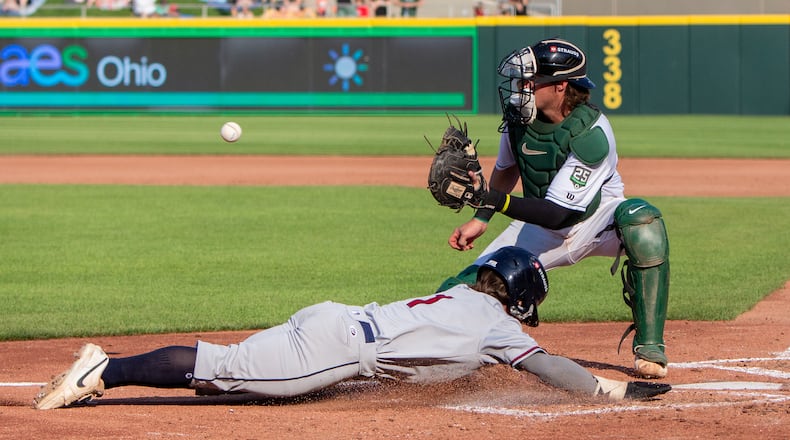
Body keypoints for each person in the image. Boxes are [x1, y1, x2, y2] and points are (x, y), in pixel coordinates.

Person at [33, 247, 670, 410]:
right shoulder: (497, 326)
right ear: (524, 298)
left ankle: (116, 369)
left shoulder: (460, 298)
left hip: (333, 322)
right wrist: (606, 392)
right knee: (225, 368)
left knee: (242, 382)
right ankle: (103, 371)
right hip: (337, 346)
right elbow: (548, 367)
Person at [440, 39, 671, 379]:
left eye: (530, 80)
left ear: (561, 85)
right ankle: (437, 357)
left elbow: (560, 213)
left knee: (643, 223)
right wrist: (481, 217)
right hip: (540, 227)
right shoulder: (520, 119)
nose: (521, 87)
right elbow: (507, 169)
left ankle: (651, 344)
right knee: (458, 290)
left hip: (596, 221)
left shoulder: (591, 133)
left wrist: (495, 201)